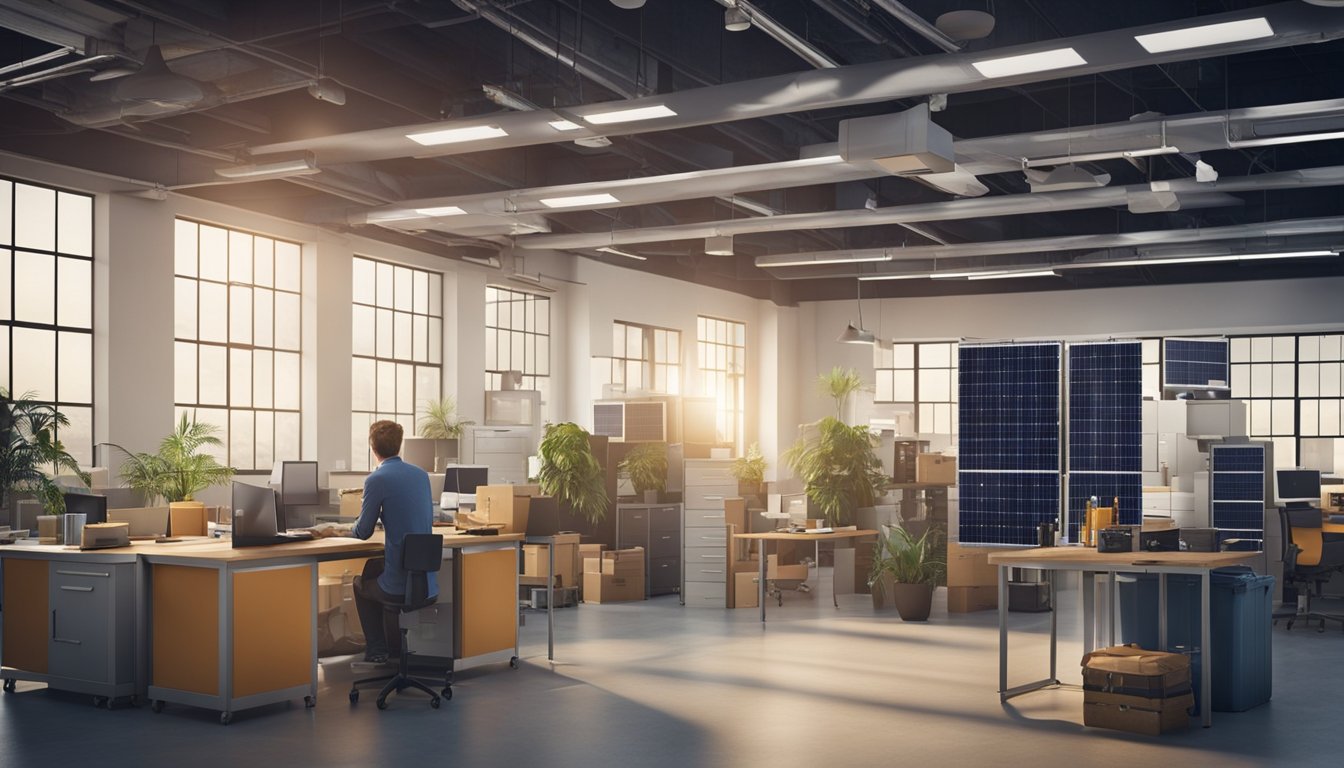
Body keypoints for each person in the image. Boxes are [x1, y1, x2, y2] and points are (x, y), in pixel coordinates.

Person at [352, 420, 437, 663]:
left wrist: (341, 529)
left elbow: (362, 532)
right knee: (372, 567)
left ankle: (378, 651)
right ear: (399, 446)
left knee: (360, 585)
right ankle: (392, 648)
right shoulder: (421, 475)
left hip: (398, 585)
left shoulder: (377, 479)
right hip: (426, 582)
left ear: (372, 447)